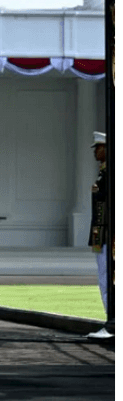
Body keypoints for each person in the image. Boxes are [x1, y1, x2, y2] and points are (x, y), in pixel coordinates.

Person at [87, 131, 113, 340]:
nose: (96, 152)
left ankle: (112, 324)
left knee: (107, 279)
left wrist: (98, 192)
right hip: (102, 232)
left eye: (99, 147)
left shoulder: (109, 173)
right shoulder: (104, 172)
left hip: (107, 233)